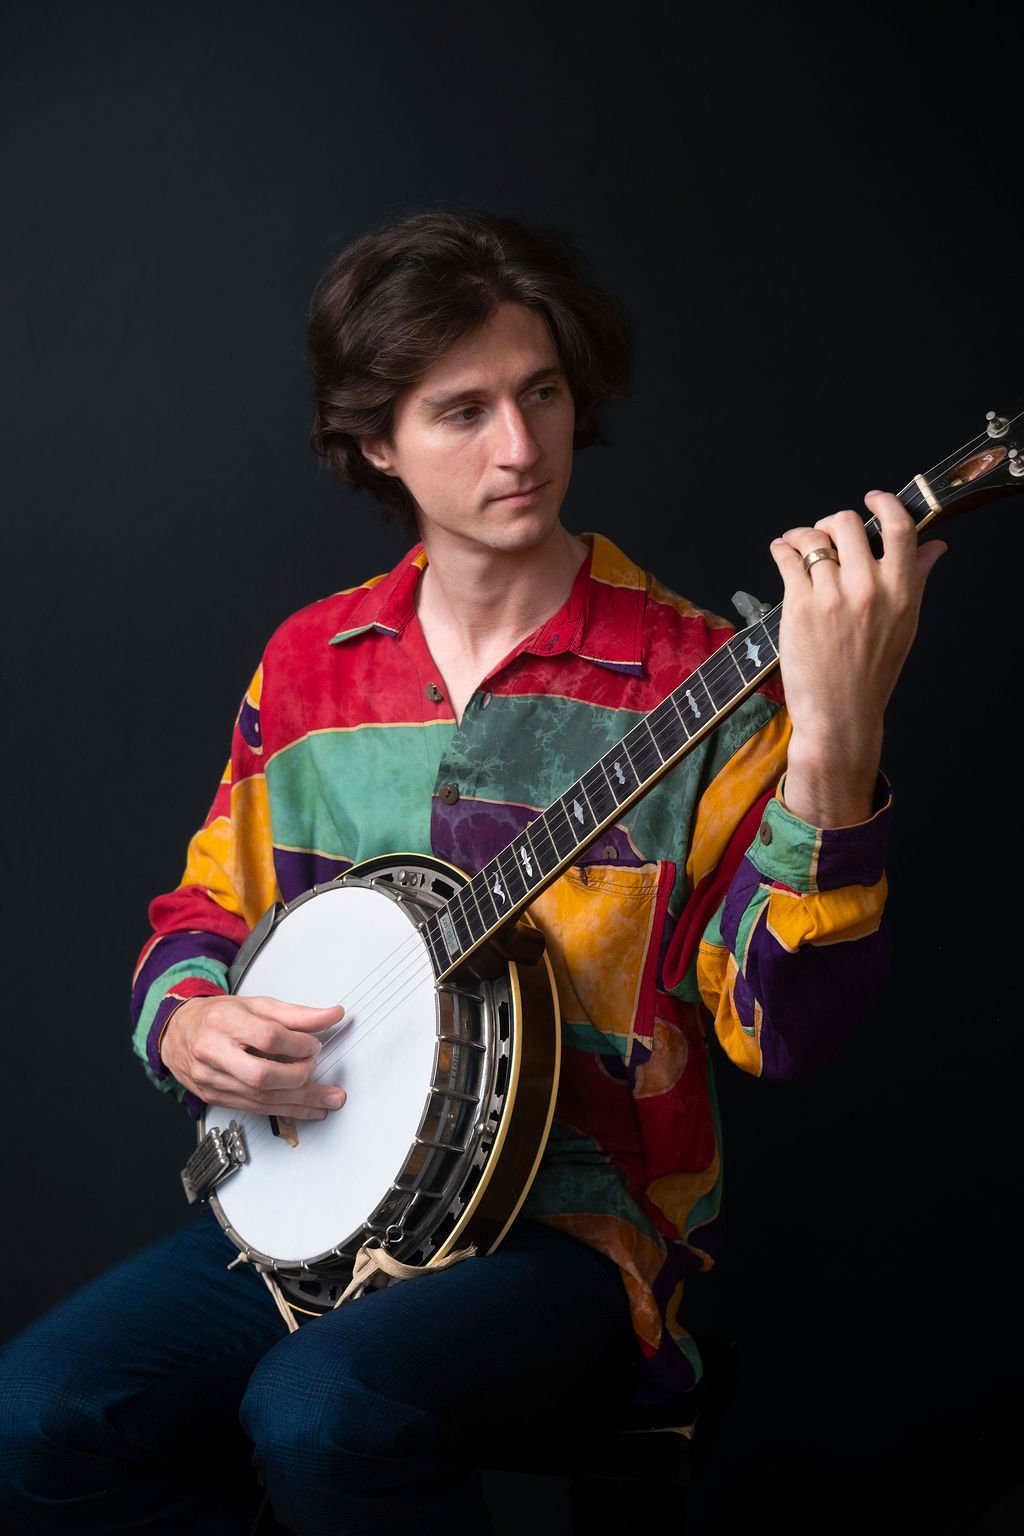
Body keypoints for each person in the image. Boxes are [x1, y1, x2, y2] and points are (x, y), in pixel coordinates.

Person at [0, 208, 944, 1536]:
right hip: (316, 1211)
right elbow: (204, 910)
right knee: (39, 1416)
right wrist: (194, 1016)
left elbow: (783, 1031)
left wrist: (836, 744)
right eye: (463, 411)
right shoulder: (310, 669)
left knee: (320, 1416)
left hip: (572, 1239)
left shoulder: (695, 682)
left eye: (542, 392)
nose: (521, 446)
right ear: (376, 441)